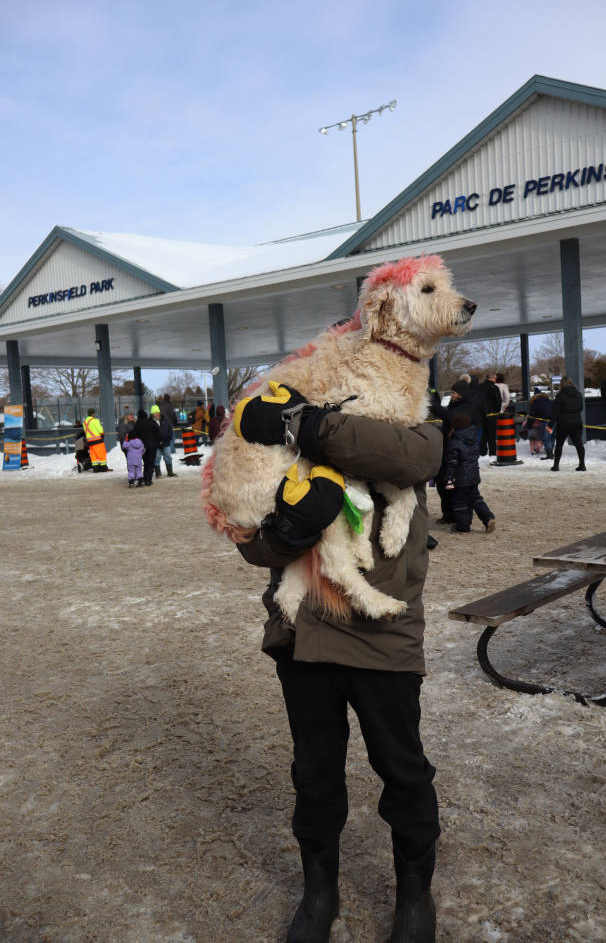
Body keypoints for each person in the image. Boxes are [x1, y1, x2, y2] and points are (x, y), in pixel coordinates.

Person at [235, 399, 444, 943]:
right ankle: (319, 890)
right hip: (303, 638)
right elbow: (248, 538)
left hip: (383, 642)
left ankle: (415, 896)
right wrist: (282, 536)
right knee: (314, 774)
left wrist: (310, 424)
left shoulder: (405, 430)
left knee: (402, 771)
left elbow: (423, 458)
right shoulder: (283, 449)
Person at [431, 380, 480, 524]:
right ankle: (448, 515)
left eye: (453, 393)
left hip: (458, 450)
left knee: (458, 487)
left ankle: (462, 518)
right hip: (447, 447)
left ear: (461, 394)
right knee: (442, 483)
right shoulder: (456, 404)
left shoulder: (469, 407)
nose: (451, 395)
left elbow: (451, 417)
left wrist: (433, 405)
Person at [442, 413, 496, 534]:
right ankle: (488, 517)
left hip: (460, 477)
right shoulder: (473, 438)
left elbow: (452, 463)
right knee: (475, 498)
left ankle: (463, 526)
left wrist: (448, 479)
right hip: (473, 475)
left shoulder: (455, 442)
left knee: (459, 502)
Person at [548, 376, 586, 471]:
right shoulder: (578, 394)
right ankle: (582, 465)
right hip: (577, 422)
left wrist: (550, 425)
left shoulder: (560, 395)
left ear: (562, 385)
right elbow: (581, 408)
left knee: (559, 444)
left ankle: (556, 466)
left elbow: (555, 412)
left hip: (564, 423)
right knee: (579, 444)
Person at [130, 408, 161, 485]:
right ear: (146, 416)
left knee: (145, 462)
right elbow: (158, 433)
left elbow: (134, 435)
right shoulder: (151, 423)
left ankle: (144, 478)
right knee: (150, 463)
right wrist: (160, 442)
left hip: (141, 447)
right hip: (152, 445)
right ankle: (148, 479)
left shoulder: (136, 425)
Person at [477, 374, 502, 456]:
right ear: (491, 378)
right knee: (492, 434)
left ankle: (482, 452)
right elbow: (498, 401)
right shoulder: (494, 388)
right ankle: (493, 452)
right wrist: (497, 411)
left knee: (482, 434)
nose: (496, 379)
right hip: (492, 413)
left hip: (481, 414)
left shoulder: (479, 387)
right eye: (495, 378)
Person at [526, 388, 555, 459]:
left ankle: (549, 454)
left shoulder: (535, 403)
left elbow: (532, 416)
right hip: (555, 421)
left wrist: (528, 425)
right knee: (552, 436)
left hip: (547, 422)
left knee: (546, 438)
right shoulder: (550, 401)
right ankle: (551, 451)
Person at [151, 405, 177, 478]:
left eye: (158, 412)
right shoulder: (150, 422)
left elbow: (170, 430)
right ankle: (158, 474)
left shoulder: (164, 420)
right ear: (152, 414)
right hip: (156, 444)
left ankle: (170, 472)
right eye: (155, 413)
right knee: (157, 458)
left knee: (168, 457)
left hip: (166, 443)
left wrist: (169, 437)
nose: (157, 414)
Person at [464, 374, 488, 445]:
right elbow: (484, 409)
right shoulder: (480, 394)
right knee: (475, 444)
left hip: (464, 423)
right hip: (478, 423)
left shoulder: (462, 393)